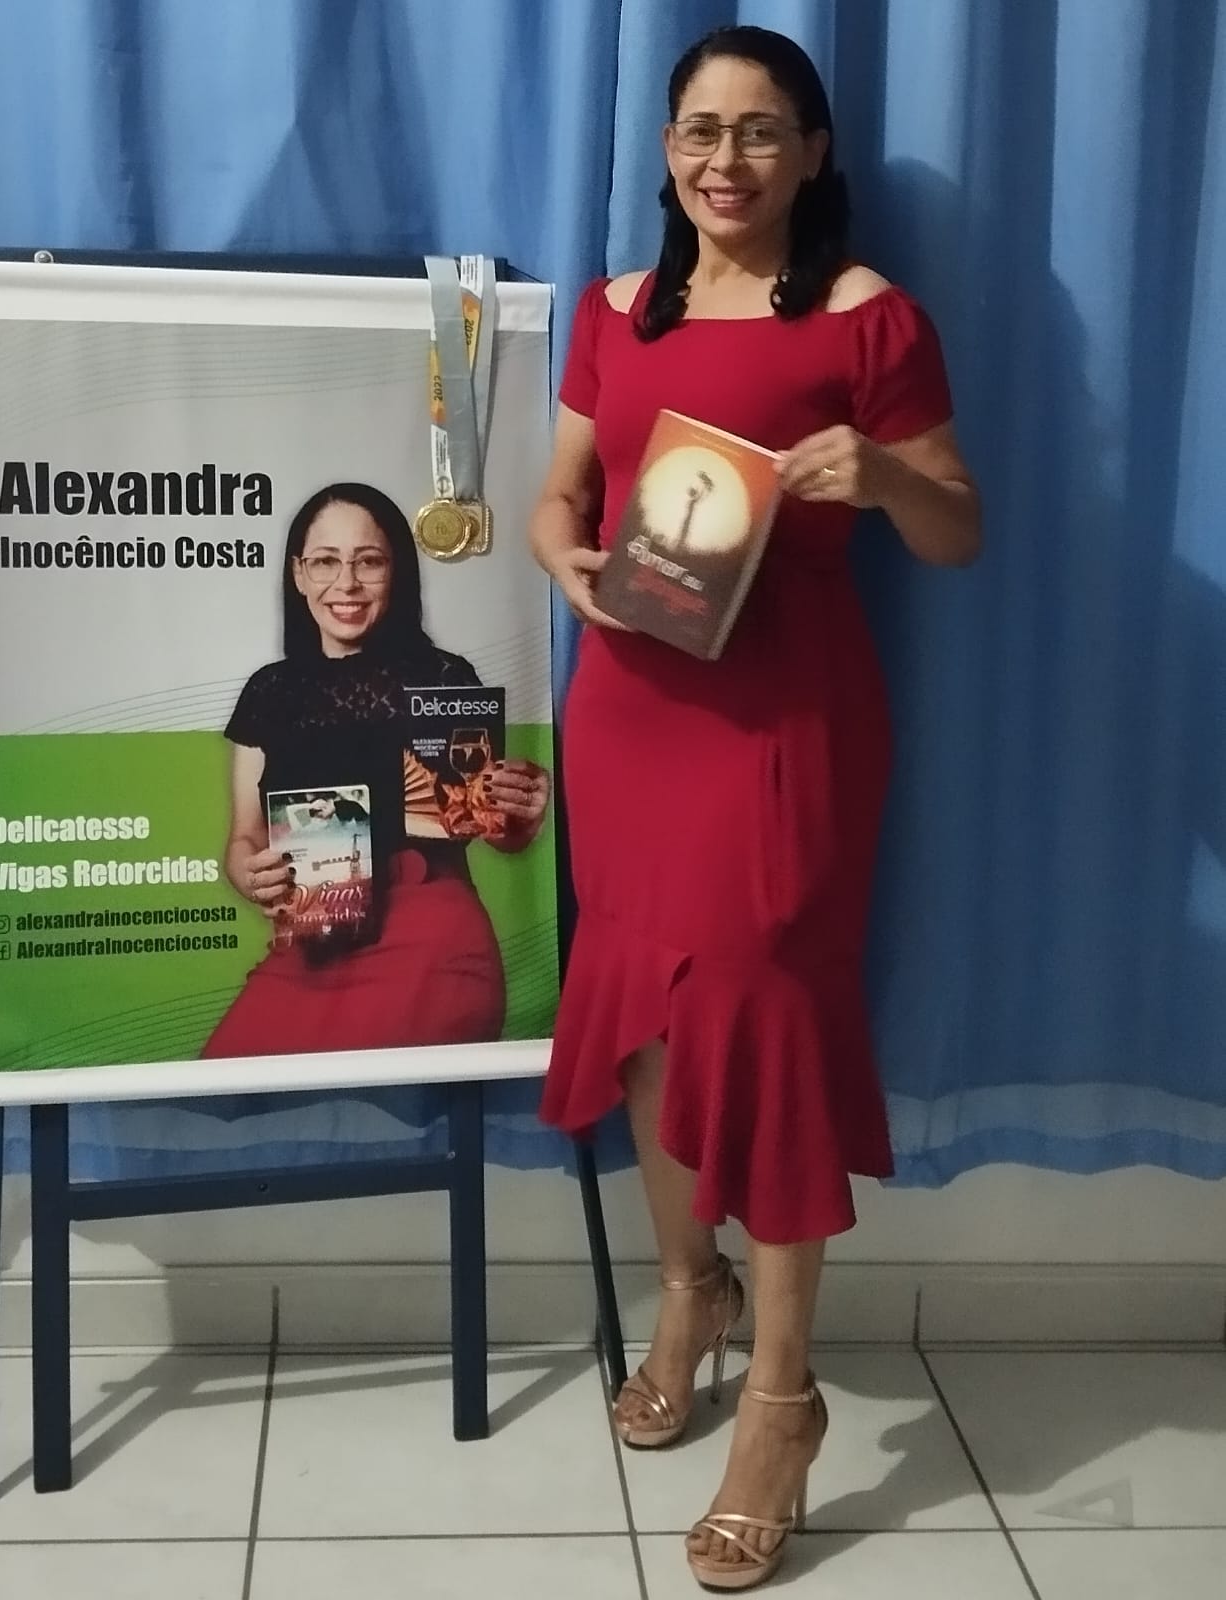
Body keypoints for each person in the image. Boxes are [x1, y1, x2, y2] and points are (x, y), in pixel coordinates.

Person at [532, 25, 980, 1592]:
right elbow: (559, 494)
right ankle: (689, 1292)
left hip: (788, 730)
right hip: (631, 716)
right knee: (647, 1024)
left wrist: (888, 477)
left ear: (811, 152)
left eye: (762, 131)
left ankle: (782, 1405)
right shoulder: (615, 312)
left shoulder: (867, 318)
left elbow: (958, 531)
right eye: (701, 131)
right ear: (667, 150)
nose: (727, 160)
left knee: (767, 1028)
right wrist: (563, 559)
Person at [203, 482, 550, 1059]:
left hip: (430, 936)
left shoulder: (445, 678)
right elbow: (245, 838)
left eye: (369, 561)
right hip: (311, 939)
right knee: (220, 1089)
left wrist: (520, 811)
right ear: (298, 573)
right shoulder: (269, 692)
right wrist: (251, 875)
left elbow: (493, 828)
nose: (347, 583)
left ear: (397, 573)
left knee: (385, 1110)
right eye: (325, 562)